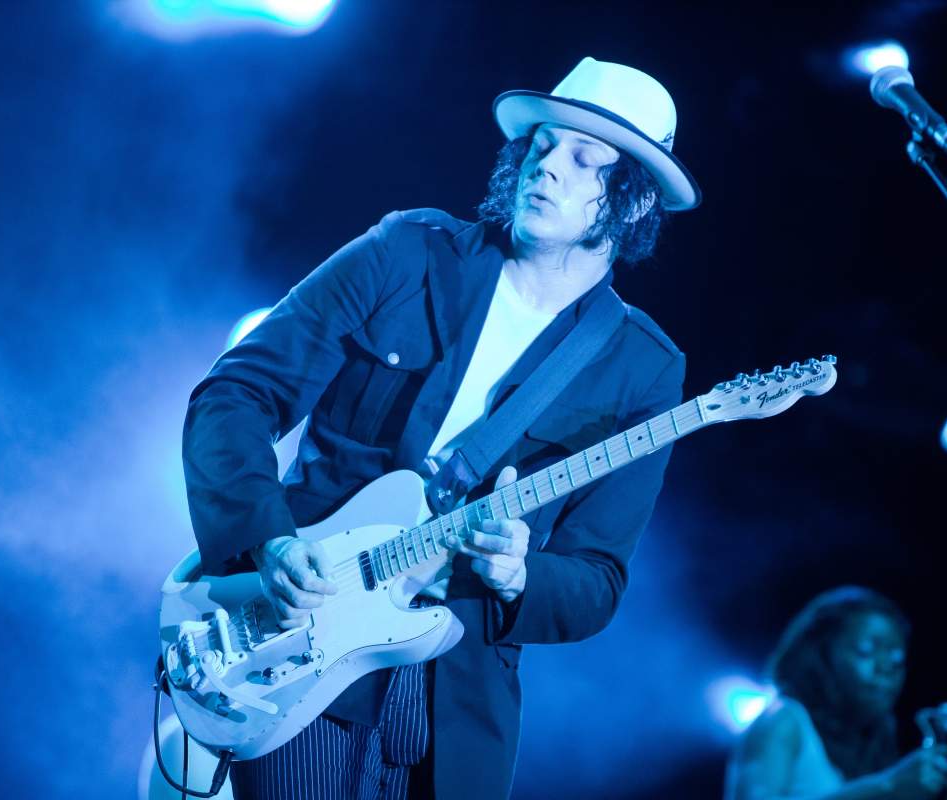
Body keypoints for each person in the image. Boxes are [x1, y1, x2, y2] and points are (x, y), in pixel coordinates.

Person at [182, 56, 700, 800]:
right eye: (543, 145)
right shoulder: (408, 252)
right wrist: (270, 539)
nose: (548, 166)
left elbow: (597, 581)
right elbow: (234, 394)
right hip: (303, 643)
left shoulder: (643, 367)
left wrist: (519, 573)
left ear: (634, 201)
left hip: (456, 707)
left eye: (585, 159)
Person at [725, 586, 947, 800]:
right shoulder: (783, 720)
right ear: (822, 655)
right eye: (867, 651)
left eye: (897, 660)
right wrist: (887, 787)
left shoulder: (875, 737)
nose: (886, 668)